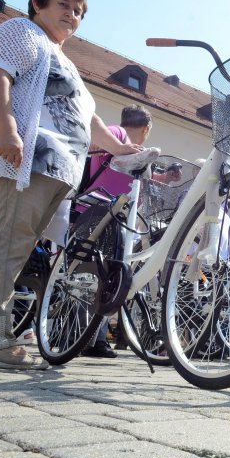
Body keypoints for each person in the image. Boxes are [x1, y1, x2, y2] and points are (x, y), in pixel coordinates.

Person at [0, 0, 140, 370]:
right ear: (37, 5)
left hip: (54, 171)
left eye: (77, 12)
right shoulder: (21, 31)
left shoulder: (65, 62)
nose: (71, 15)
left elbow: (87, 119)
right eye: (63, 5)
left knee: (12, 250)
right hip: (26, 163)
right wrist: (8, 130)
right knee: (5, 249)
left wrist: (121, 148)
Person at [81, 104, 155, 359]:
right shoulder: (116, 135)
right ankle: (85, 337)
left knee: (105, 277)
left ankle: (94, 337)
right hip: (100, 212)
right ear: (146, 129)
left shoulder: (137, 150)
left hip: (113, 216)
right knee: (95, 275)